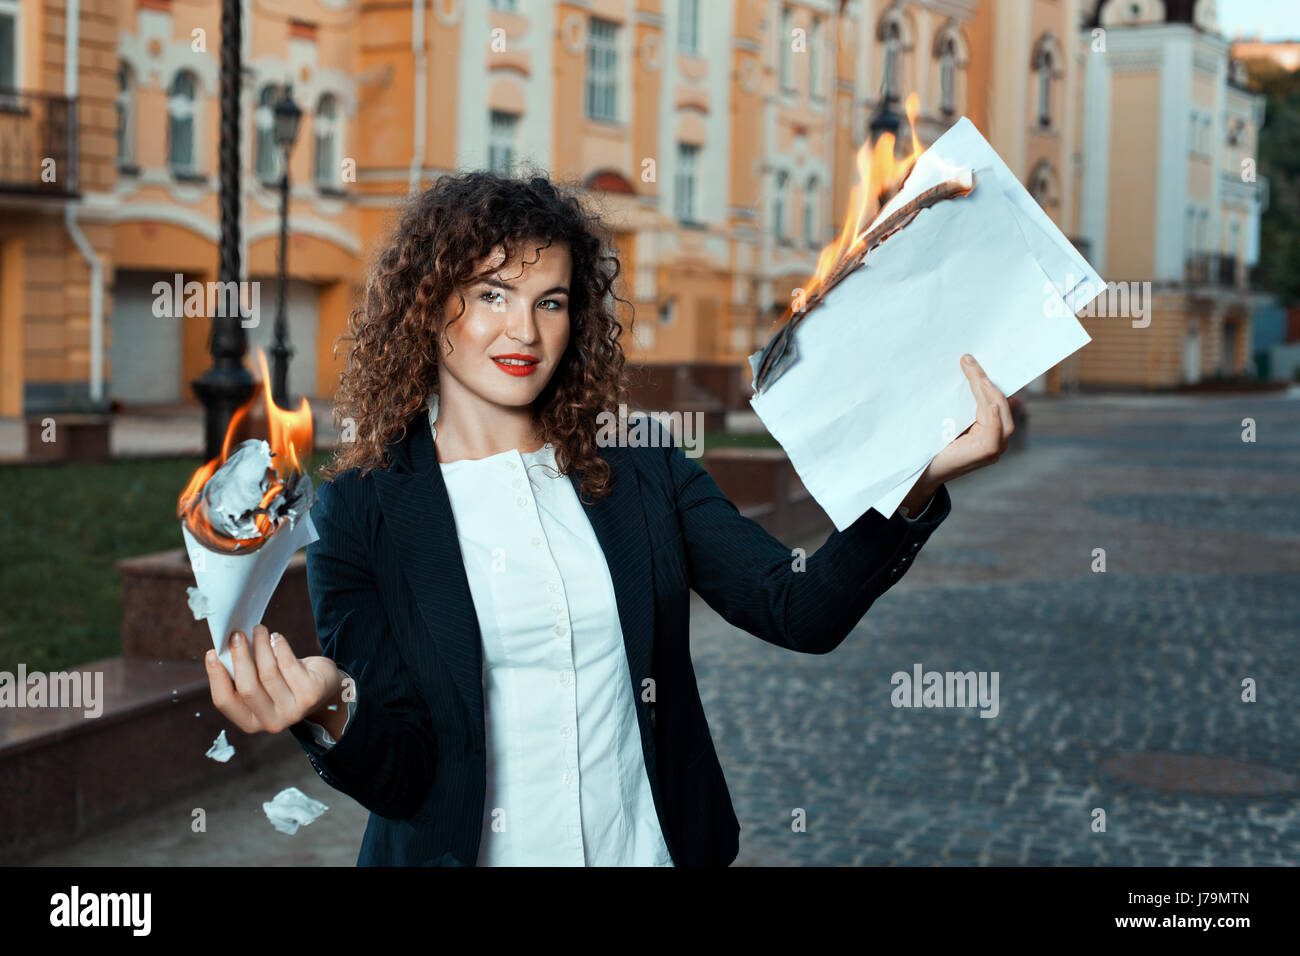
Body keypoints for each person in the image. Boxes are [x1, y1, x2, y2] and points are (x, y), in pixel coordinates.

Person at [203, 170, 1013, 866]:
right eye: (492, 294)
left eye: (549, 301)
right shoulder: (364, 510)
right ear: (431, 307)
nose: (524, 330)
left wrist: (917, 481)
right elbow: (407, 774)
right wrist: (333, 705)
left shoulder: (639, 468)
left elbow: (797, 607)